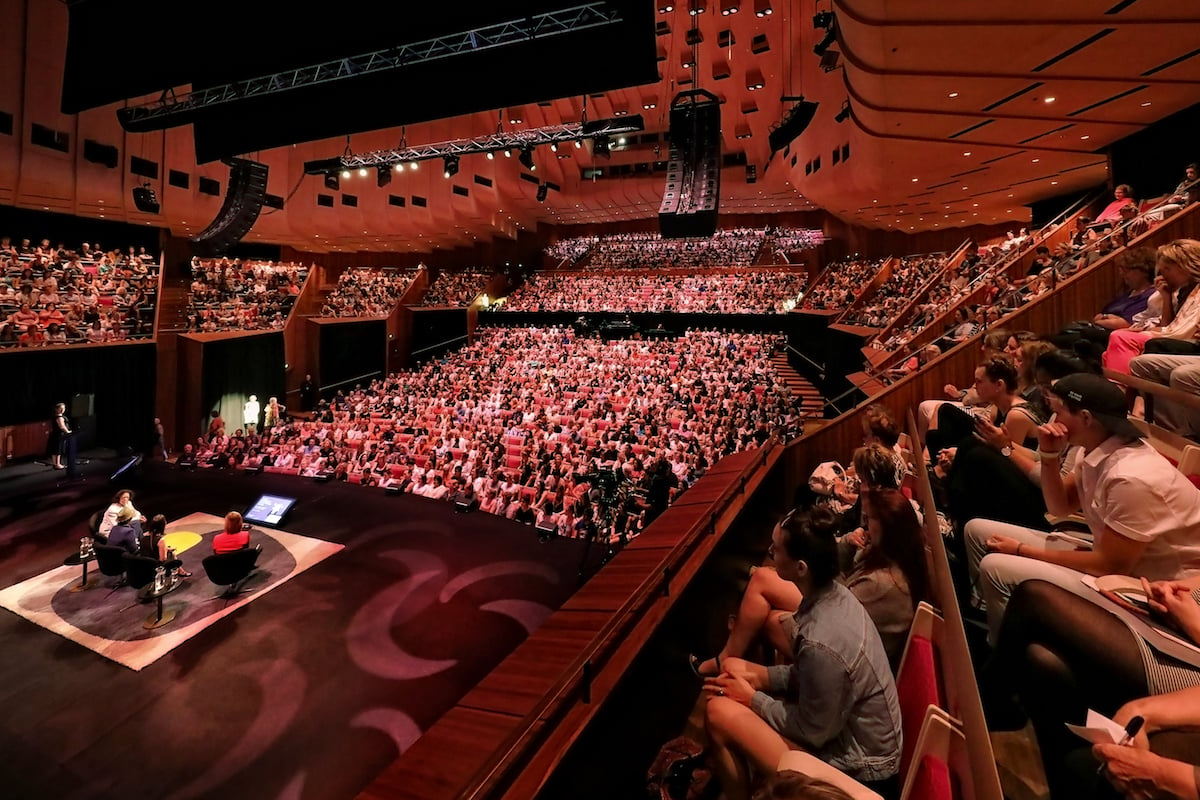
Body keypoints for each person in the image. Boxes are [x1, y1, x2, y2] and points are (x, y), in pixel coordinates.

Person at [966, 372, 1200, 642]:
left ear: (1086, 418)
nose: (1053, 421)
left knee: (996, 566)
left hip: (1154, 585)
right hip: (1112, 559)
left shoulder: (1131, 477)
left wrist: (1021, 550)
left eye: (1058, 413)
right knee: (976, 530)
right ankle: (987, 617)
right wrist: (1049, 455)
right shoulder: (1094, 447)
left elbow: (1109, 566)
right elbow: (1060, 506)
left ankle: (1005, 649)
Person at [701, 507, 901, 800]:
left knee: (717, 713)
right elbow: (810, 679)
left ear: (801, 568)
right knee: (734, 666)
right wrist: (763, 678)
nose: (770, 553)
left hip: (863, 772)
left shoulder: (822, 643)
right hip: (845, 734)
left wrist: (753, 698)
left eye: (776, 549)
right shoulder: (834, 594)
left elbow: (813, 731)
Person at [1104, 240, 1200, 373]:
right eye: (1161, 270)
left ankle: (1121, 390)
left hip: (1192, 343)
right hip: (1175, 336)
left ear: (1185, 266)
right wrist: (1166, 296)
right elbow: (1169, 325)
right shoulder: (1183, 291)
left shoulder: (1196, 291)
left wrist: (1148, 331)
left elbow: (1181, 331)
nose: (1163, 275)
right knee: (1111, 349)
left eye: (1167, 269)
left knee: (1120, 337)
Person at [50, 402, 70, 469]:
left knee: (54, 449)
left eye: (64, 408)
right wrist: (68, 432)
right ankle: (57, 464)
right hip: (58, 435)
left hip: (55, 435)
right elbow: (62, 426)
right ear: (59, 409)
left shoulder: (55, 416)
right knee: (58, 450)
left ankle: (55, 464)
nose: (63, 410)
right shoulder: (59, 417)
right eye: (62, 408)